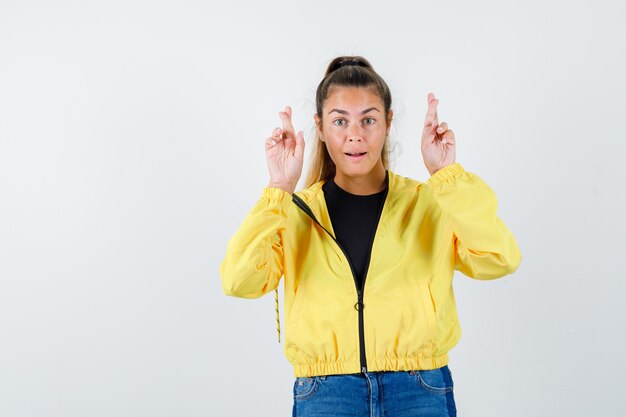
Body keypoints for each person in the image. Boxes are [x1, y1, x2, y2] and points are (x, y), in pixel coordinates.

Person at [219, 56, 522, 417]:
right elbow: (239, 281)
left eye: (369, 119)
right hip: (326, 394)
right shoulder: (294, 212)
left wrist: (447, 175)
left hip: (419, 388)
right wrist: (279, 188)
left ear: (388, 122)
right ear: (319, 126)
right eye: (340, 121)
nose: (355, 135)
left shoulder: (430, 201)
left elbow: (498, 258)